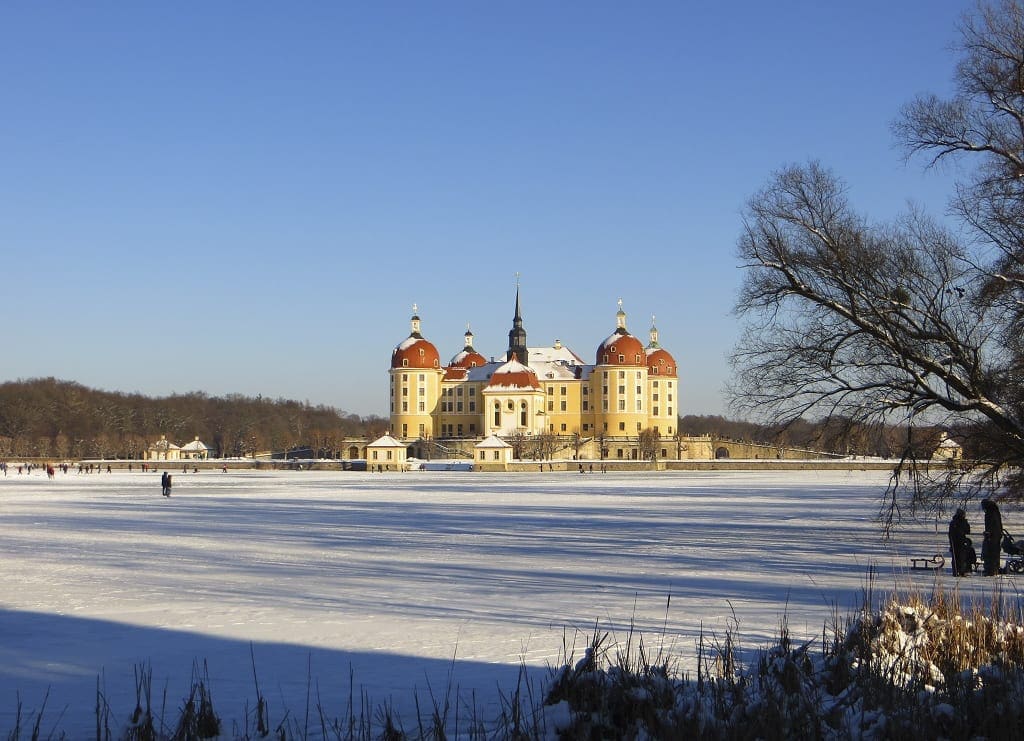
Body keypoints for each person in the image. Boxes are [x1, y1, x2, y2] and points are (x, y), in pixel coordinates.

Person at [981, 498, 1004, 576]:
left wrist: (988, 533)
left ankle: (991, 570)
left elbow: (990, 525)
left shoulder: (990, 513)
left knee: (991, 553)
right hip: (997, 534)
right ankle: (995, 568)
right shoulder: (995, 511)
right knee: (996, 552)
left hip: (993, 536)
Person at [948, 508, 973, 576]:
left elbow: (950, 534)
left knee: (955, 558)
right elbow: (967, 530)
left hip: (954, 542)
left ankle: (955, 571)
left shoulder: (953, 522)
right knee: (962, 557)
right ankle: (962, 571)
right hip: (961, 542)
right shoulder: (962, 522)